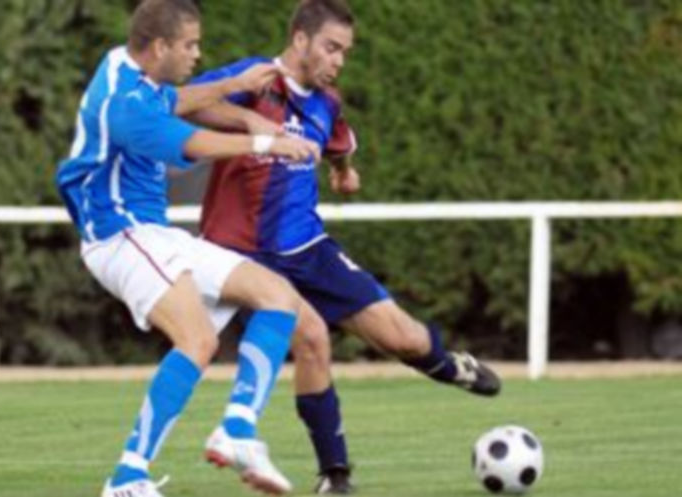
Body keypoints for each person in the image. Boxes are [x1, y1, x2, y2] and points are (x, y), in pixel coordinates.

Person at [189, 0, 502, 493]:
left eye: (345, 52)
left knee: (406, 338)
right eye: (331, 48)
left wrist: (343, 173)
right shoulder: (254, 79)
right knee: (312, 338)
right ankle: (334, 474)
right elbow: (184, 103)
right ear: (300, 40)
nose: (338, 61)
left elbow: (339, 145)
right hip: (242, 256)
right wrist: (247, 120)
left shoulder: (327, 103)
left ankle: (449, 366)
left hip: (309, 247)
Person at [55, 1, 323, 496]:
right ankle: (127, 479)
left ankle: (236, 430)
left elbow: (172, 100)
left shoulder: (124, 65)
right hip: (119, 235)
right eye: (190, 45)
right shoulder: (125, 106)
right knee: (197, 340)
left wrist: (234, 94)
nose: (198, 54)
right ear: (160, 47)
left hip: (151, 232)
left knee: (277, 296)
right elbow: (194, 143)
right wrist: (267, 143)